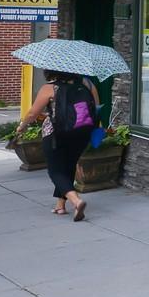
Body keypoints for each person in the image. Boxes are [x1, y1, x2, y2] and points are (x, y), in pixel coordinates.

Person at [24, 70, 100, 220]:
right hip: (82, 132)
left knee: (55, 171)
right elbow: (96, 108)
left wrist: (22, 126)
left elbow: (33, 113)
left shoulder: (50, 88)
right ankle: (60, 205)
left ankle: (76, 201)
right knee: (69, 166)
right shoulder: (88, 84)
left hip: (56, 134)